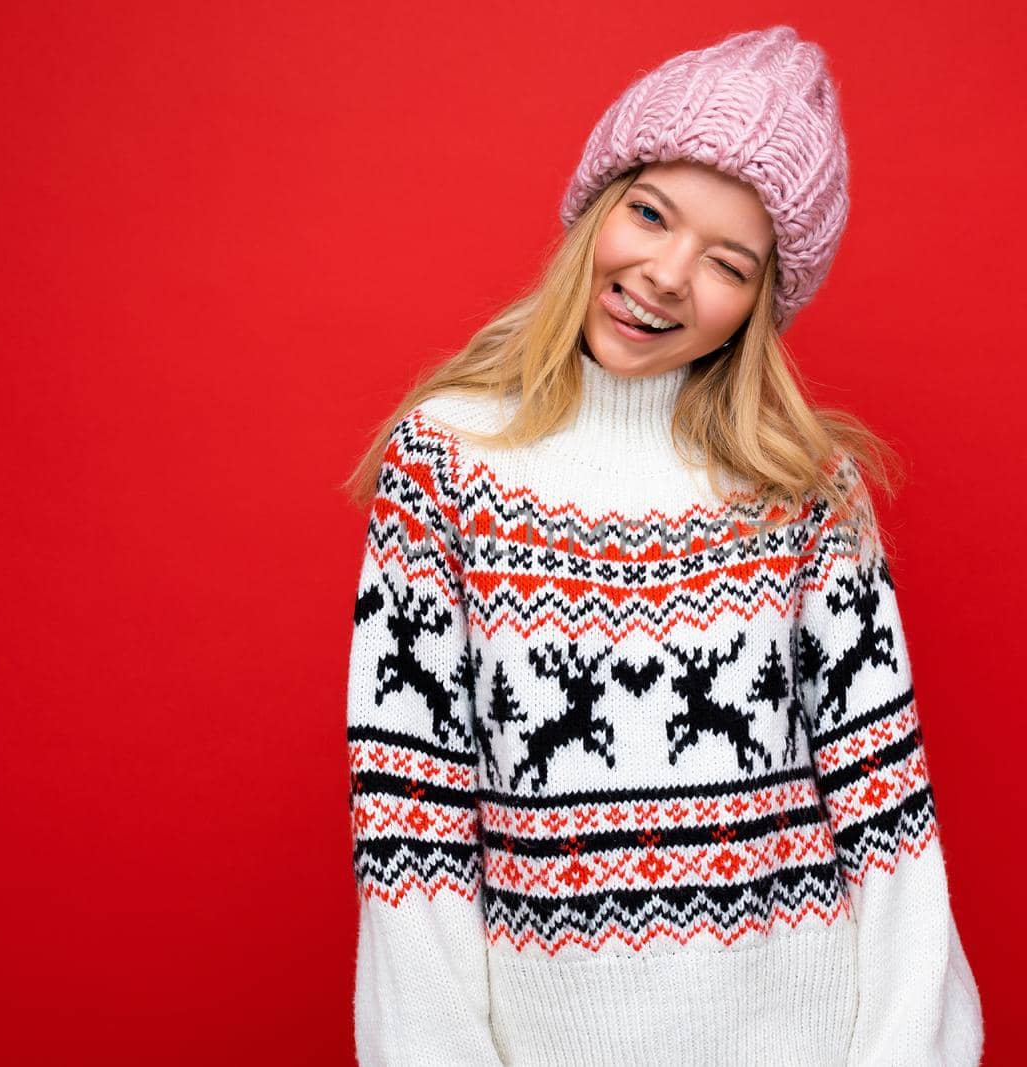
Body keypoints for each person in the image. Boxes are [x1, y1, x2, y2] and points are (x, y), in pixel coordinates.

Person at [340, 25, 984, 1067]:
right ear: (596, 207)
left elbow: (890, 817)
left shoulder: (807, 493)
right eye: (649, 214)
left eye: (727, 262)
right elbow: (408, 824)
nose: (667, 273)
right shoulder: (447, 464)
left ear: (760, 307)